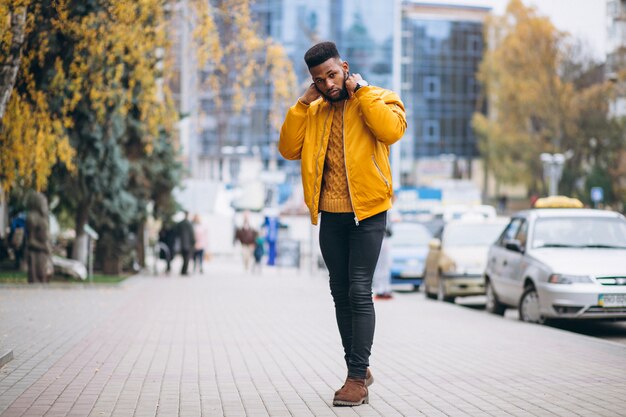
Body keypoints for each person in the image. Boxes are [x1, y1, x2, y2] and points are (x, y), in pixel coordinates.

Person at [278, 41, 406, 407]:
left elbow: (391, 132)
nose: (328, 84)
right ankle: (359, 367)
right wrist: (302, 104)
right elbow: (288, 148)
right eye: (319, 80)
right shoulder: (313, 111)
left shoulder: (380, 97)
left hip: (367, 212)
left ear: (345, 68)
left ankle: (355, 380)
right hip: (330, 215)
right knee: (339, 291)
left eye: (332, 75)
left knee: (359, 290)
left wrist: (361, 93)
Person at [25, 192, 52, 283]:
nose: (45, 206)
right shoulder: (32, 218)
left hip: (44, 254)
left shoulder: (43, 218)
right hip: (36, 254)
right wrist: (44, 247)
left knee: (44, 277)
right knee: (37, 279)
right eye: (43, 203)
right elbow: (30, 241)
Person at [372, 226, 393, 299]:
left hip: (384, 240)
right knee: (379, 269)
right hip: (378, 239)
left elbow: (390, 232)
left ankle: (385, 289)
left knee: (385, 269)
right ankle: (380, 290)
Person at [176, 211, 195, 275]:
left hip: (181, 243)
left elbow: (177, 233)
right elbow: (192, 234)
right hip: (188, 244)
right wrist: (193, 242)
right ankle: (184, 270)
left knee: (184, 258)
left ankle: (183, 270)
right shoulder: (189, 224)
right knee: (186, 258)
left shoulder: (180, 223)